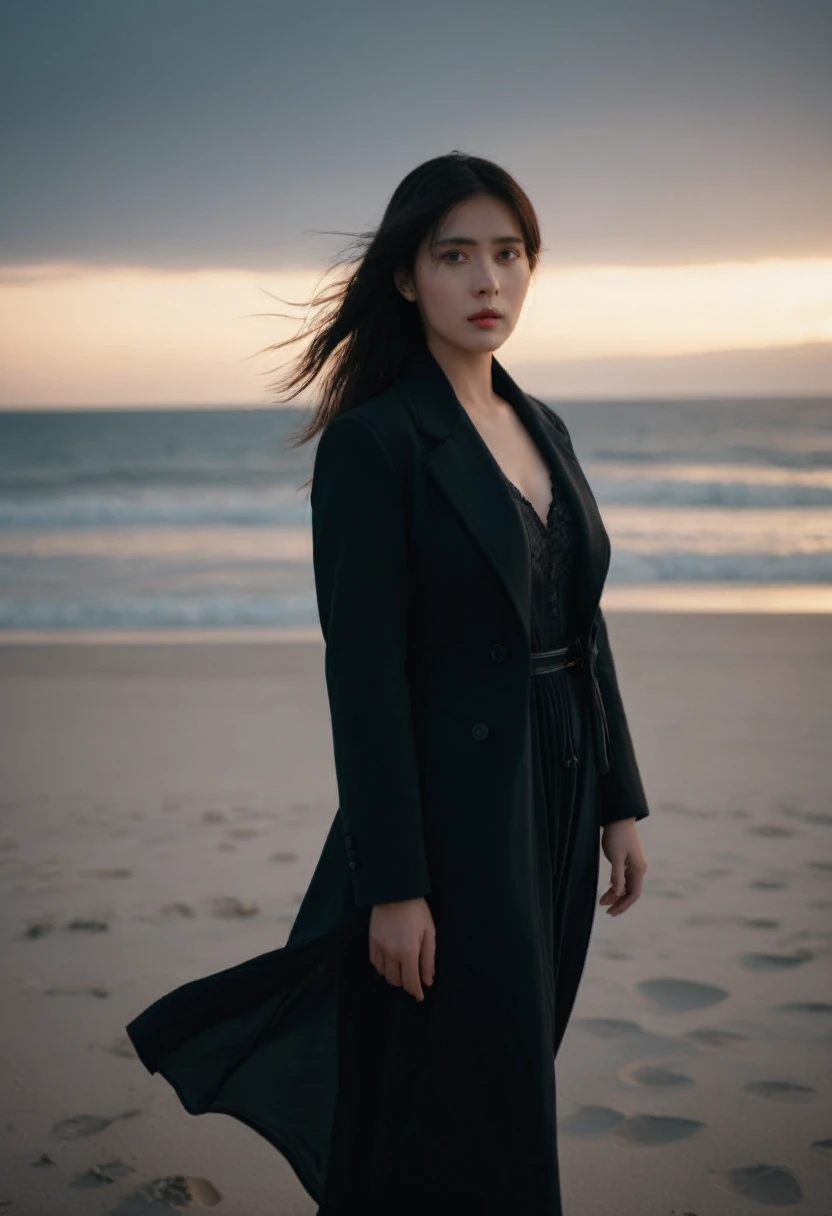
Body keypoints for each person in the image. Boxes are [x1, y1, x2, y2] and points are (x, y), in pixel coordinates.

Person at [125, 150, 650, 1215]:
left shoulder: (542, 423)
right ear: (407, 277)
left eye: (508, 254)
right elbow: (362, 677)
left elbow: (577, 624)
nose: (486, 281)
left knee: (505, 1068)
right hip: (453, 810)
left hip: (555, 786)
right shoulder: (375, 443)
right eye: (455, 256)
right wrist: (394, 882)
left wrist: (618, 801)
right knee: (478, 1088)